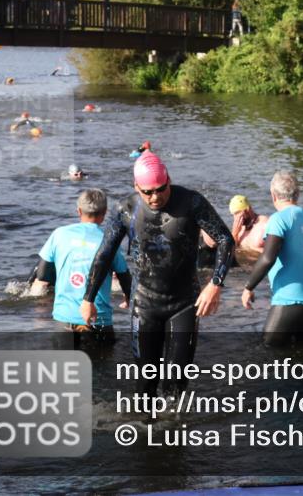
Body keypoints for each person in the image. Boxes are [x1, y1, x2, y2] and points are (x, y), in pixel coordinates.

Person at [80, 151, 233, 396]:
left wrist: (215, 285)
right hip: (145, 304)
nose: (155, 197)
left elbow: (225, 239)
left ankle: (175, 430)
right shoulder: (125, 209)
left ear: (168, 180)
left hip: (184, 303)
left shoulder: (191, 202)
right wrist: (88, 299)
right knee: (145, 385)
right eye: (147, 191)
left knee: (176, 384)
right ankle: (147, 431)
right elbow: (104, 254)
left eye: (161, 189)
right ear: (136, 186)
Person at [30, 189, 131, 346]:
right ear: (104, 212)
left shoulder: (59, 234)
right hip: (98, 320)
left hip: (64, 319)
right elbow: (124, 274)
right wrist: (127, 296)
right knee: (103, 367)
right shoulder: (109, 239)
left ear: (78, 211)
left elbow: (42, 275)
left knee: (66, 368)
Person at [241, 171, 303, 346]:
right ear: (297, 194)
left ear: (273, 195)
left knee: (269, 353)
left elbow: (268, 257)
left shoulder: (278, 220)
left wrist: (248, 287)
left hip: (289, 299)